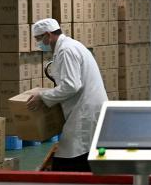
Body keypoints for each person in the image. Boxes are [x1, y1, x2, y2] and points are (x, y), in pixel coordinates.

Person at [26, 18, 108, 172]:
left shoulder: (66, 50)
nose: (38, 44)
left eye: (38, 39)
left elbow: (71, 85)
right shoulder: (69, 46)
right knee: (81, 152)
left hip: (85, 111)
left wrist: (42, 96)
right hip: (85, 107)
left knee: (73, 154)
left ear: (48, 35)